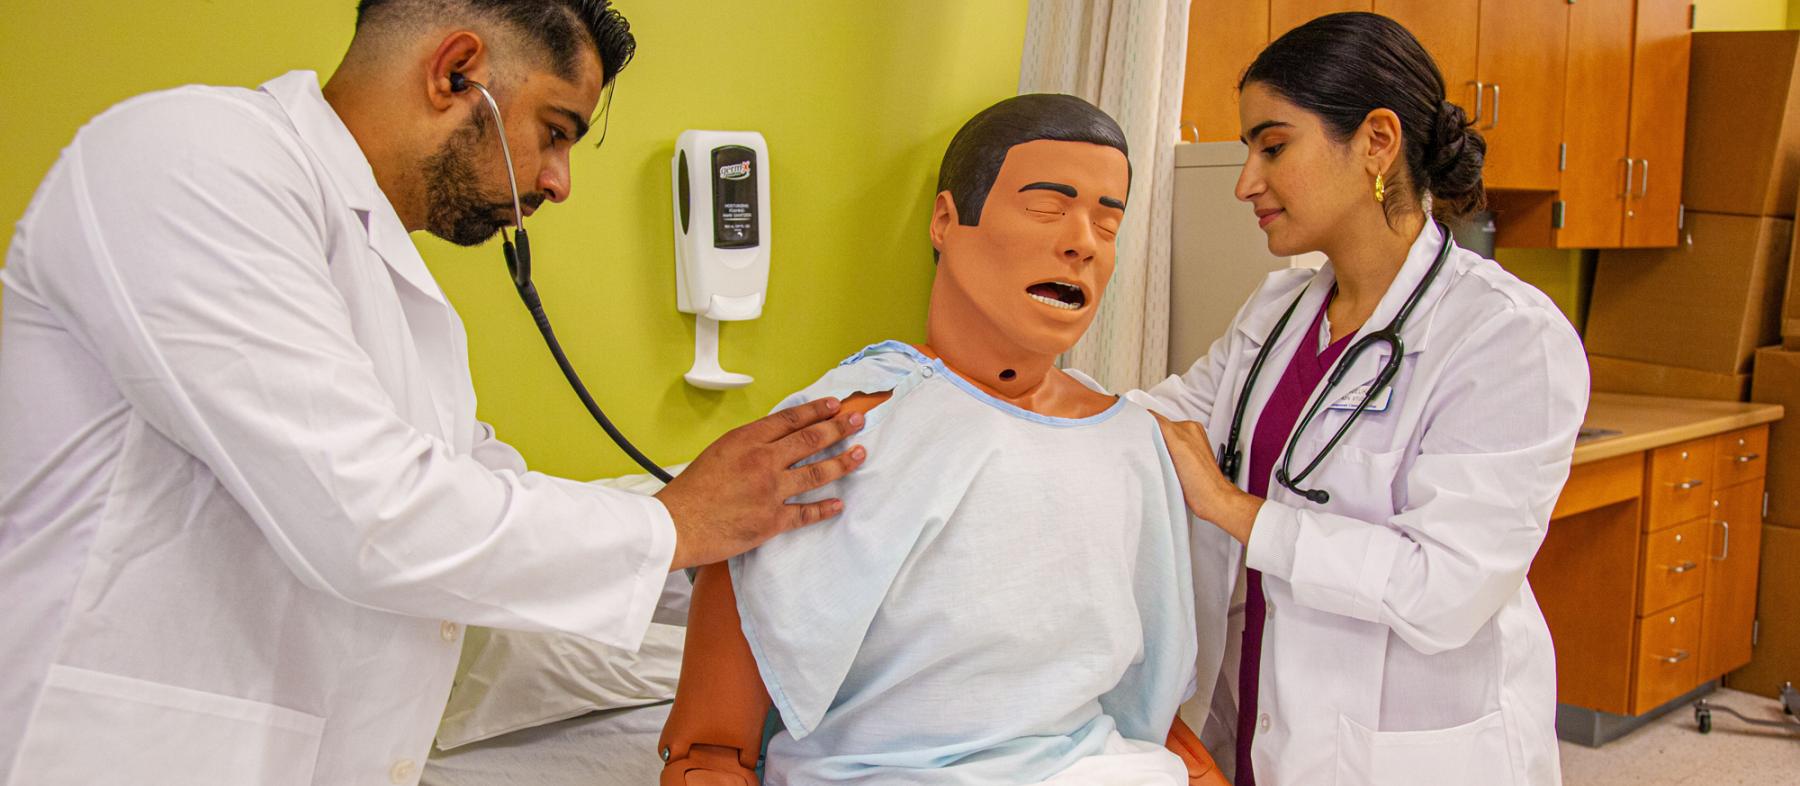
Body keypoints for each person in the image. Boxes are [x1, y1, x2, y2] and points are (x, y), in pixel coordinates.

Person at [0, 2, 867, 784]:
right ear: (457, 73)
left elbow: (488, 495)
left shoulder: (391, 279)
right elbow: (371, 514)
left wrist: (742, 534)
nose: (560, 182)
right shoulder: (190, 156)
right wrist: (678, 524)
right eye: (556, 131)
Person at [657, 94, 1237, 786]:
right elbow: (713, 748)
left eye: (1108, 223)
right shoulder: (835, 432)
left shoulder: (1132, 443)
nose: (1083, 241)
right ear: (945, 220)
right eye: (1048, 207)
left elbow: (1140, 699)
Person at [1145, 13, 1586, 786]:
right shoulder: (1279, 309)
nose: (1247, 180)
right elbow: (1161, 420)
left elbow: (1444, 587)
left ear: (1377, 142)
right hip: (1253, 719)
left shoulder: (1505, 338)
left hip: (1401, 756)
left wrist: (1231, 508)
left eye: (1272, 146)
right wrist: (946, 400)